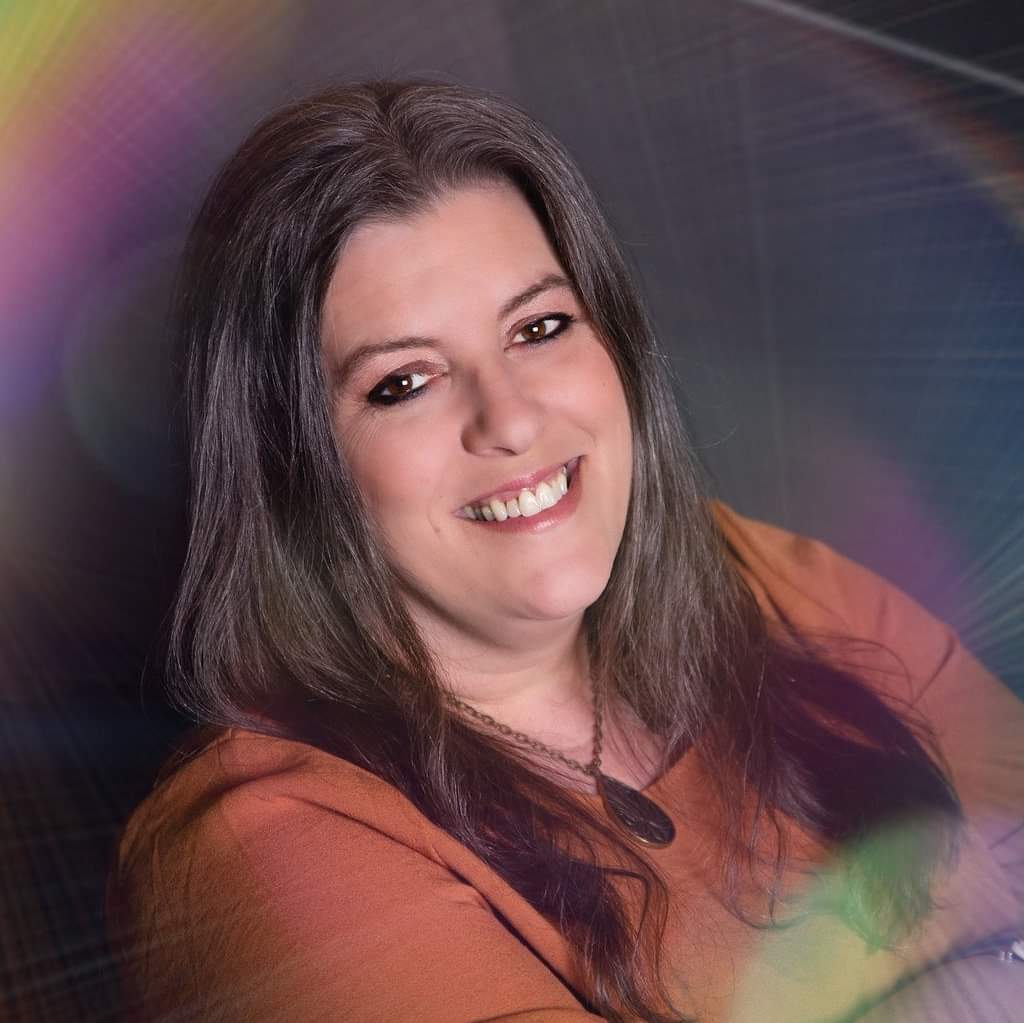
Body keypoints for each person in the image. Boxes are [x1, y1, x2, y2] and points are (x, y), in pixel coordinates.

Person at [108, 80, 1024, 1022]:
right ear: (291, 461)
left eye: (540, 327)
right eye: (404, 382)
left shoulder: (743, 569)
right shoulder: (267, 849)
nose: (510, 419)